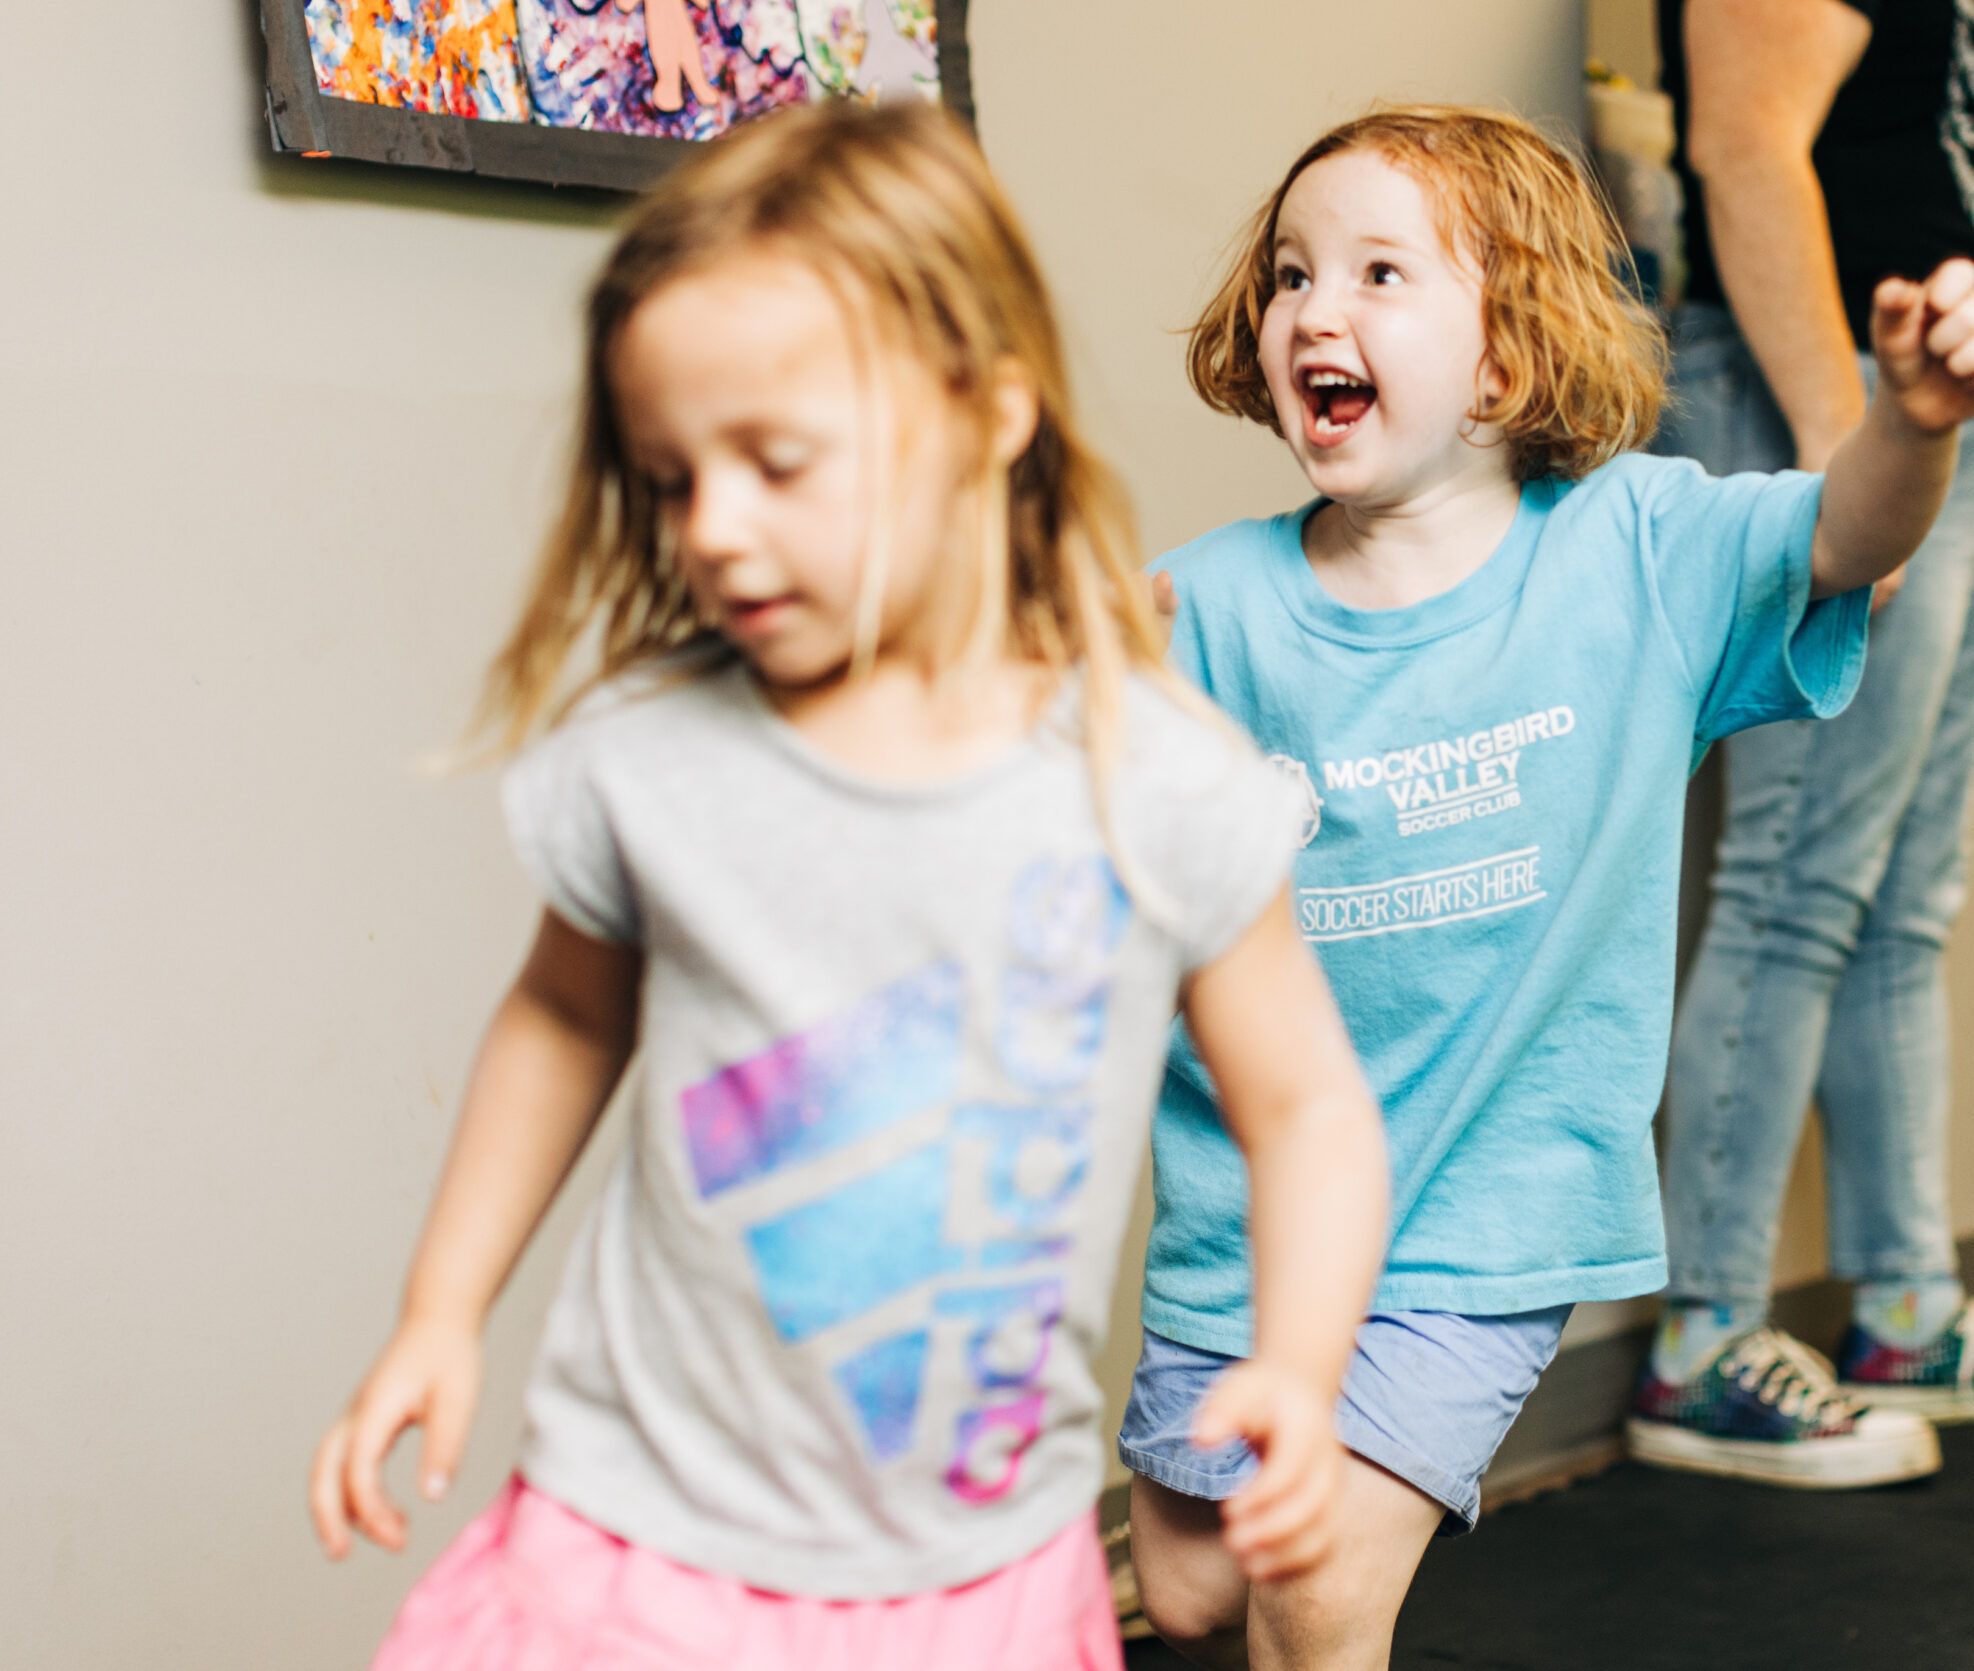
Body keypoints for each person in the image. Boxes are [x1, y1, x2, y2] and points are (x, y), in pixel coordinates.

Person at [305, 102, 1390, 1671]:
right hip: (642, 1543)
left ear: (987, 415)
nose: (715, 531)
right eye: (674, 480)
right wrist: (438, 1308)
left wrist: (1299, 1362)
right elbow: (557, 1016)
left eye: (777, 464)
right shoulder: (653, 754)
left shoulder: (1154, 779)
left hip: (975, 1586)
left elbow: (1305, 1109)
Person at [1127, 105, 1974, 1668]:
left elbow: (1846, 535)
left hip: (1484, 1214)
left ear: (1502, 357)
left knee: (1316, 1596)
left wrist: (1917, 423)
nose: (1312, 313)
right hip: (1244, 1224)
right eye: (1289, 277)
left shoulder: (1638, 550)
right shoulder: (1206, 606)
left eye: (1379, 275)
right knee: (1196, 1588)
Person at [1631, 0, 1974, 1493]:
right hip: (1855, 394)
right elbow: (1742, 141)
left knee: (1906, 891)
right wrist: (1855, 443)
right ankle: (1704, 1341)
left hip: (1957, 420)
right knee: (1798, 880)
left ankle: (1904, 1306)